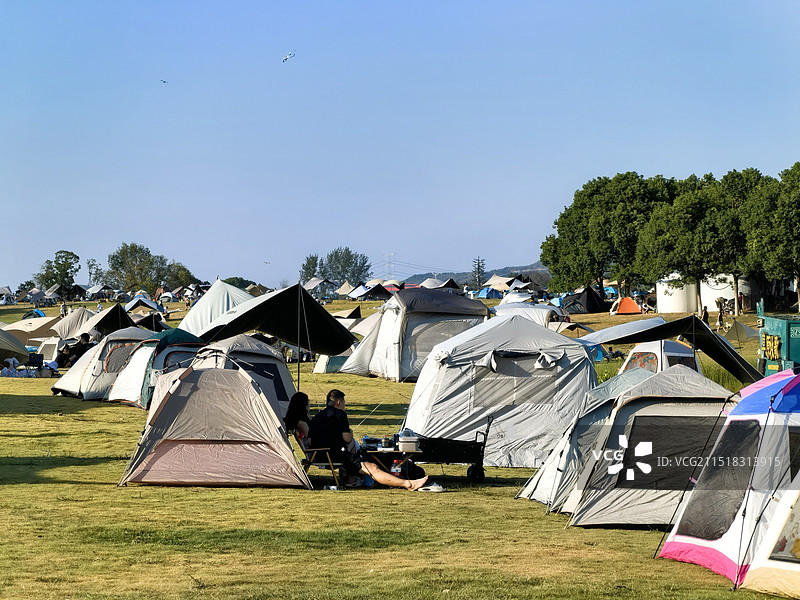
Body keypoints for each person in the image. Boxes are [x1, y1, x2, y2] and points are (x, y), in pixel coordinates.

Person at [309, 389, 428, 490]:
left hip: (317, 455)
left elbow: (309, 441)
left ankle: (352, 480)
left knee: (364, 463)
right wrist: (349, 432)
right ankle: (409, 484)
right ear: (339, 402)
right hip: (335, 455)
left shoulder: (316, 417)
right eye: (344, 403)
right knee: (372, 468)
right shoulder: (339, 414)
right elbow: (347, 438)